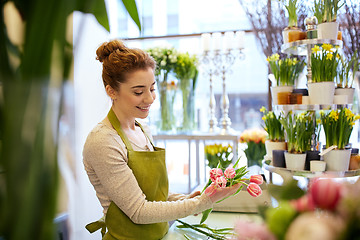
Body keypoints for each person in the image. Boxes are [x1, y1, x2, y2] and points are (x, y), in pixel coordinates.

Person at [83, 39, 241, 240]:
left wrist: (186, 199)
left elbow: (152, 194)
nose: (149, 99)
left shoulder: (143, 129)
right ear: (111, 91)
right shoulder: (103, 142)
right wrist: (203, 203)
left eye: (152, 88)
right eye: (138, 92)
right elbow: (139, 211)